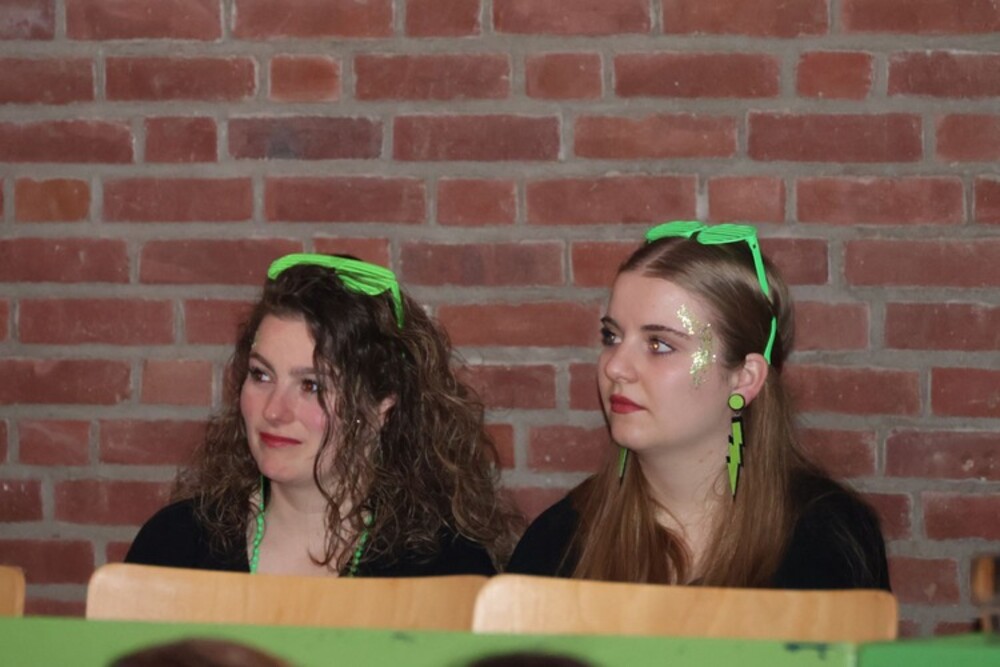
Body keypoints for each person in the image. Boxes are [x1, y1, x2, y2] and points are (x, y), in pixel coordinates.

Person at [507, 221, 890, 589]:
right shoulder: (560, 543)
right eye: (612, 337)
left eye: (658, 344)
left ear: (745, 378)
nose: (615, 367)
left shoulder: (824, 541)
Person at [126, 253, 520, 576]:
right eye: (261, 375)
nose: (274, 411)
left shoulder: (446, 569)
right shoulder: (175, 544)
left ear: (382, 405)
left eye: (311, 386)